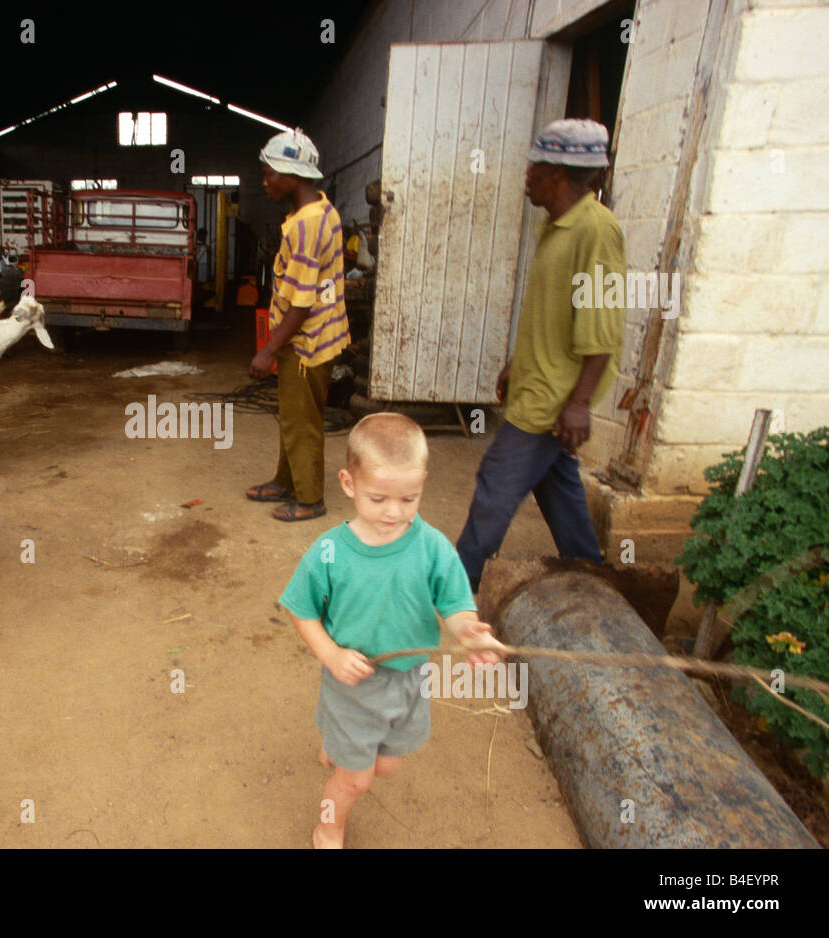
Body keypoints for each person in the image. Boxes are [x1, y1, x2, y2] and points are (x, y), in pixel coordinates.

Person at [279, 413, 505, 848]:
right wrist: (330, 655)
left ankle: (340, 747)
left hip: (410, 681)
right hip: (354, 681)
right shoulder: (328, 552)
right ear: (348, 484)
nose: (394, 513)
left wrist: (468, 633)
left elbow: (455, 605)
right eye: (378, 498)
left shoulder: (433, 546)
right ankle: (329, 826)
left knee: (387, 766)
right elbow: (301, 610)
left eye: (409, 498)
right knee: (357, 780)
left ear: (422, 483)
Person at [456, 118, 626, 592]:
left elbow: (604, 325)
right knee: (557, 484)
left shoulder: (597, 231)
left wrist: (578, 403)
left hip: (555, 395)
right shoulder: (556, 227)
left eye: (534, 166)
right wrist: (518, 361)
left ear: (557, 172)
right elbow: (550, 312)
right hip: (541, 381)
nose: (527, 174)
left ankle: (460, 576)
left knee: (497, 481)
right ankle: (588, 570)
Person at [246, 127, 350, 521]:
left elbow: (302, 302)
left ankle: (309, 499)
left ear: (293, 175)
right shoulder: (322, 209)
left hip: (307, 344)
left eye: (270, 172)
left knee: (302, 421)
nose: (266, 181)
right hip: (314, 339)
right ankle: (285, 482)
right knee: (294, 414)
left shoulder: (307, 225)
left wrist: (268, 350)